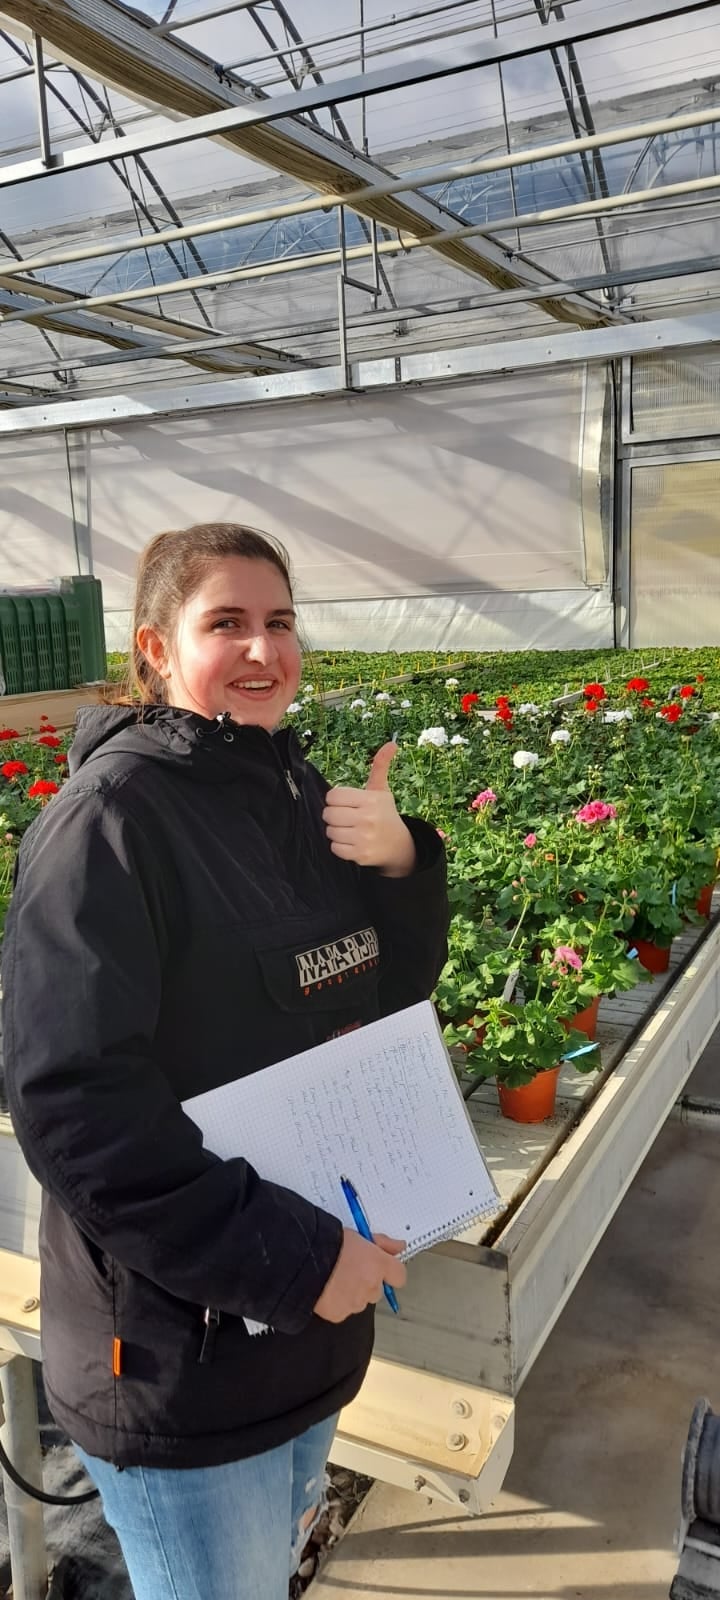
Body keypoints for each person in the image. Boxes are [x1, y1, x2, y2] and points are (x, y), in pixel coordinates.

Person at [3, 522, 449, 1600]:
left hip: (300, 1335)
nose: (263, 648)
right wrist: (295, 1263)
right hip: (182, 1362)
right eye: (228, 623)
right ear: (157, 649)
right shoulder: (111, 823)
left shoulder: (292, 793)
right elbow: (75, 1106)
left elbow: (380, 997)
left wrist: (401, 866)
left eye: (280, 621)